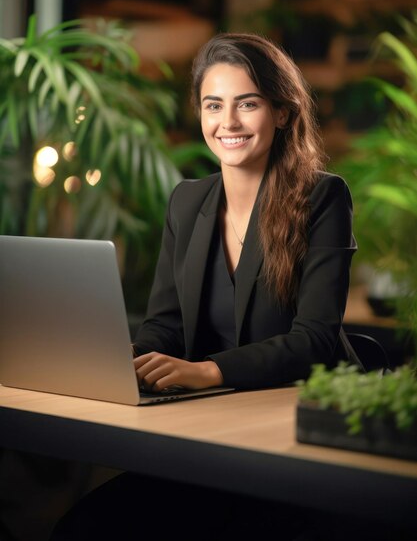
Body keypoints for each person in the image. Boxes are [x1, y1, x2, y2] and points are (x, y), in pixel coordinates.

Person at [50, 32, 357, 541]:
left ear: (282, 113)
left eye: (248, 104)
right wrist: (129, 362)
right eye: (214, 105)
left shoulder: (323, 198)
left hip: (299, 437)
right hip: (208, 433)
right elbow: (165, 326)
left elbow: (316, 340)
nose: (228, 122)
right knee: (82, 527)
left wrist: (207, 371)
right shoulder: (187, 201)